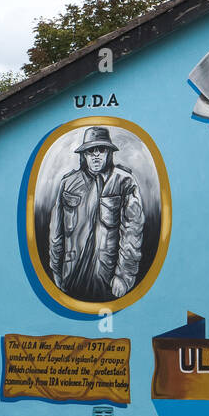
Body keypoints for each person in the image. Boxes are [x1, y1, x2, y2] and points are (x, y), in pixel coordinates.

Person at [48, 127, 144, 301]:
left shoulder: (124, 181)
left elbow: (132, 234)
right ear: (84, 155)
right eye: (91, 150)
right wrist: (56, 269)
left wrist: (124, 276)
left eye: (101, 149)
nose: (96, 155)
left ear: (109, 153)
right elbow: (56, 231)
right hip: (71, 273)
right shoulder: (68, 183)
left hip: (108, 277)